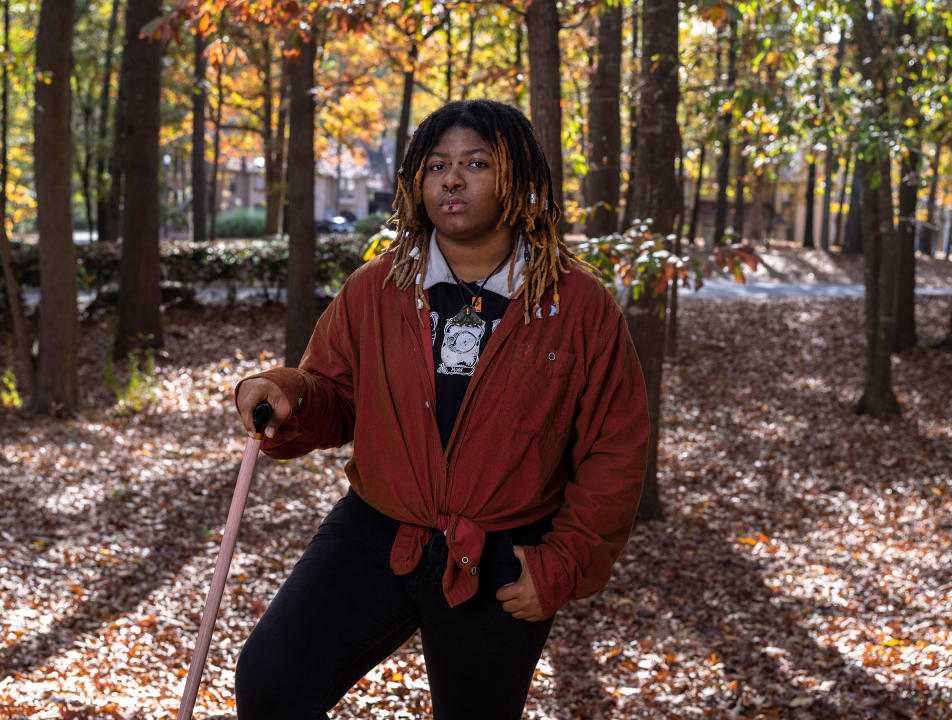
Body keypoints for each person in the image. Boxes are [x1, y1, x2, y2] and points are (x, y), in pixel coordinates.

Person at [233, 99, 649, 719]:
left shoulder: (579, 304)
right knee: (271, 681)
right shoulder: (376, 289)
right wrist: (286, 393)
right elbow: (334, 395)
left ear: (520, 181)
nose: (451, 179)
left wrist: (562, 565)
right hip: (377, 529)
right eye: (436, 166)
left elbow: (614, 451)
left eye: (476, 163)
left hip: (503, 556)